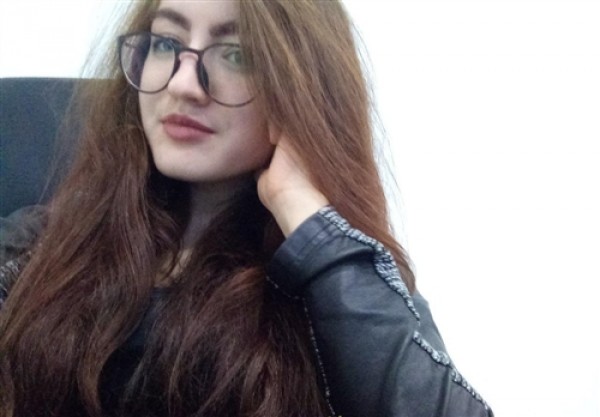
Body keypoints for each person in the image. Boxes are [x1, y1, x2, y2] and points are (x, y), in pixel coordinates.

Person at [0, 1, 493, 416]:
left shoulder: (337, 282)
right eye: (167, 43)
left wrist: (303, 211)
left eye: (236, 54)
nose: (183, 84)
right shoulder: (44, 243)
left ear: (298, 89)